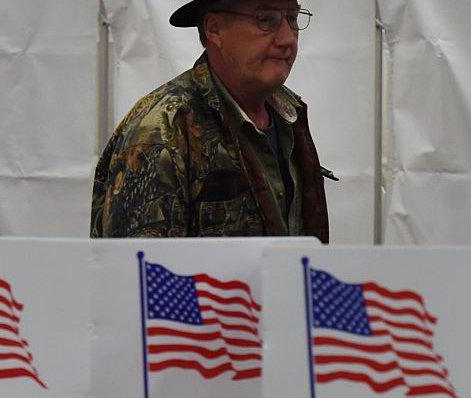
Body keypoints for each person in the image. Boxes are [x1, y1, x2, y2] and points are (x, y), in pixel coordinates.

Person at [90, 0, 334, 242]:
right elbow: (136, 271)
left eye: (292, 18)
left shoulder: (290, 116)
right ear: (214, 29)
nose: (288, 39)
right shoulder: (163, 129)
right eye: (265, 19)